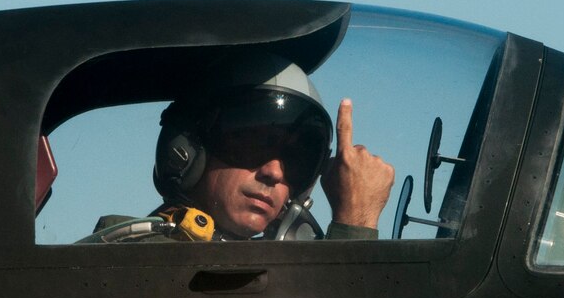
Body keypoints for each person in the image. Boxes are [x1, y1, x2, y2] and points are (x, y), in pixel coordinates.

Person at [87, 52, 394, 243]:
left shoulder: (257, 275)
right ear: (186, 150)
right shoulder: (131, 261)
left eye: (295, 161)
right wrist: (356, 222)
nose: (274, 172)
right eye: (253, 145)